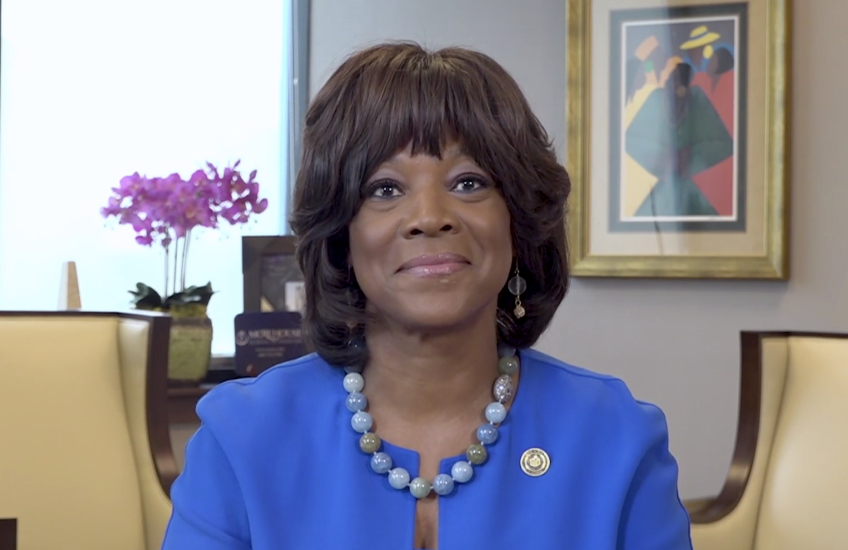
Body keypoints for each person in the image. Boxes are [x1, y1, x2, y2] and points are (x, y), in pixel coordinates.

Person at [161, 41, 693, 549]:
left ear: (519, 218)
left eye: (468, 182)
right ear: (342, 231)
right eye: (385, 189)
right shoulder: (242, 438)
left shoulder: (617, 438)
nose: (430, 217)